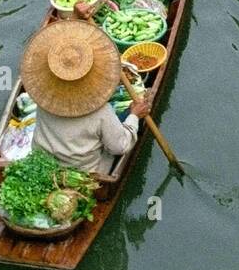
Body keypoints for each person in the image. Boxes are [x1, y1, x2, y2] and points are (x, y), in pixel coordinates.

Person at [23, 17, 150, 178]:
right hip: (85, 174)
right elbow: (120, 147)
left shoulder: (44, 96)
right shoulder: (100, 112)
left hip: (44, 165)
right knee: (128, 120)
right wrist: (134, 116)